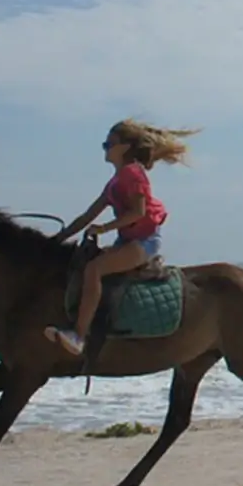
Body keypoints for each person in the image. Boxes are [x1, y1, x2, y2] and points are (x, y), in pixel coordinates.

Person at [44, 119, 194, 357]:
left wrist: (103, 229)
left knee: (94, 270)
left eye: (109, 144)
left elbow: (138, 212)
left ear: (124, 147)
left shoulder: (133, 174)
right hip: (128, 240)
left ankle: (79, 335)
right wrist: (58, 238)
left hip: (144, 241)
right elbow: (87, 216)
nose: (105, 148)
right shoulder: (115, 180)